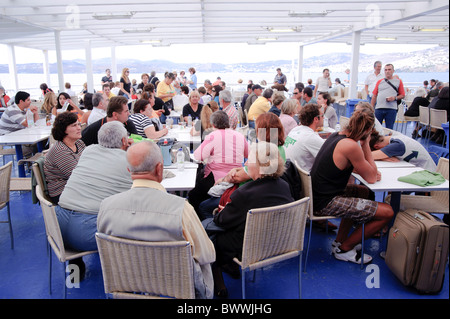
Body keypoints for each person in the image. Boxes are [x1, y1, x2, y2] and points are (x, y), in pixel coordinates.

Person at [97, 140, 215, 299]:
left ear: (128, 170)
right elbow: (207, 255)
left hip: (130, 284)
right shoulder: (181, 210)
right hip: (177, 288)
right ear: (160, 169)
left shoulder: (106, 207)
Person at [210, 141, 294, 297]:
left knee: (210, 236)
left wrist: (221, 212)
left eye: (249, 160)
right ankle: (228, 266)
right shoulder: (284, 186)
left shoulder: (245, 193)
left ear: (261, 166)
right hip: (277, 244)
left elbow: (221, 221)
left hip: (248, 247)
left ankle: (218, 281)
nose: (246, 163)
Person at [311, 109, 394, 264]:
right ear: (368, 131)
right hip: (325, 202)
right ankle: (344, 249)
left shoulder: (336, 136)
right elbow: (371, 177)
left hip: (317, 194)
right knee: (388, 212)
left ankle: (340, 241)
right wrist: (367, 144)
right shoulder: (351, 146)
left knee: (362, 192)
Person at [56, 121, 133, 276]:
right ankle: (126, 278)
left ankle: (76, 274)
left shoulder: (88, 151)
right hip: (89, 234)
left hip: (57, 229)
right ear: (124, 141)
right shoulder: (128, 160)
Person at [188, 111, 248, 214]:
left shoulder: (213, 136)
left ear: (213, 124)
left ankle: (202, 224)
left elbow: (198, 156)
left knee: (193, 196)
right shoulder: (239, 136)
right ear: (228, 122)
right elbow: (248, 155)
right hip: (236, 179)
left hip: (216, 180)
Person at [44, 112, 86, 204]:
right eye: (74, 125)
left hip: (75, 186)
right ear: (64, 130)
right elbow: (77, 177)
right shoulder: (61, 151)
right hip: (62, 192)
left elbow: (90, 162)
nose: (79, 128)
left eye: (78, 124)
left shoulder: (79, 143)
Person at [369, 130, 437, 172]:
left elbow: (369, 156)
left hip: (427, 176)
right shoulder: (393, 137)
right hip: (417, 171)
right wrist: (383, 157)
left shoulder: (396, 145)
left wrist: (381, 156)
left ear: (376, 147)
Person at [284, 103, 324, 172]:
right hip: (301, 179)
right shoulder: (310, 137)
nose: (324, 118)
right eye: (322, 115)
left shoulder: (295, 130)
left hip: (290, 174)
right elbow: (330, 157)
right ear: (316, 119)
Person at [371, 63, 405, 129]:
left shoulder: (398, 81)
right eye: (385, 70)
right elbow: (374, 95)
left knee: (389, 129)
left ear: (393, 71)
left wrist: (394, 98)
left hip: (391, 109)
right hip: (379, 108)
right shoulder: (379, 82)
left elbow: (402, 95)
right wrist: (372, 108)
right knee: (376, 128)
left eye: (389, 69)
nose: (387, 71)